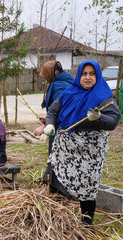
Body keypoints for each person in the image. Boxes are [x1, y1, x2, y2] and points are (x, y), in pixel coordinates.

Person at [43, 59, 121, 225]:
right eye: (84, 74)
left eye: (92, 74)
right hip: (68, 148)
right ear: (78, 75)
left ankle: (86, 223)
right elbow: (54, 109)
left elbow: (114, 120)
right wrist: (50, 123)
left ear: (97, 76)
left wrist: (99, 118)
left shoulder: (103, 97)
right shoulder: (69, 92)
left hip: (90, 152)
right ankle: (58, 217)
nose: (87, 77)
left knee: (88, 187)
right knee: (58, 176)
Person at [34, 60, 73, 154]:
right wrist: (48, 118)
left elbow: (61, 109)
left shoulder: (59, 86)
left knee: (54, 160)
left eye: (46, 76)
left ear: (51, 74)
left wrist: (45, 125)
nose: (45, 79)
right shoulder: (67, 81)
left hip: (61, 129)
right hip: (62, 127)